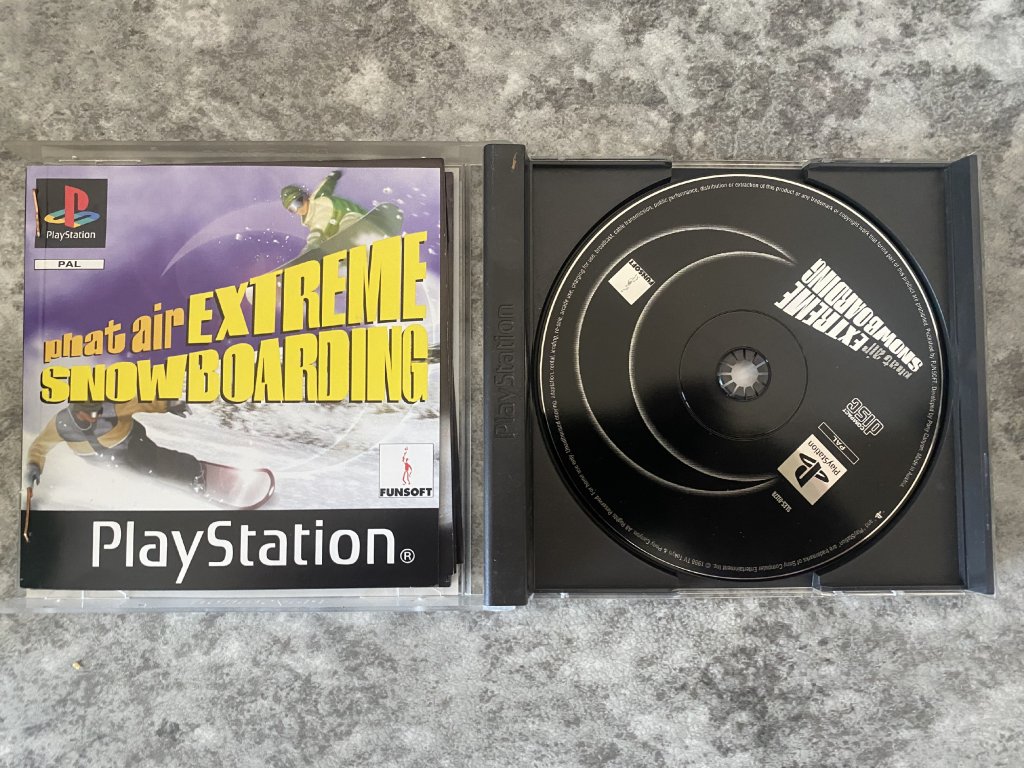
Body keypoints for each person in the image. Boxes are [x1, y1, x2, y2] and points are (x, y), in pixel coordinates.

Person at [25, 399, 205, 493]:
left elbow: (142, 401)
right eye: (90, 413)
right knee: (129, 478)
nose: (95, 416)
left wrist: (169, 404)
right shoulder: (60, 424)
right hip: (102, 459)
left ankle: (193, 471)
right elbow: (39, 447)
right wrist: (34, 465)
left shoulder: (110, 406)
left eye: (97, 411)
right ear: (76, 413)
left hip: (130, 443)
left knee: (147, 465)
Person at [280, 170, 367, 256]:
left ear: (304, 196)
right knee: (324, 240)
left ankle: (359, 235)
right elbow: (317, 235)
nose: (298, 209)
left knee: (346, 224)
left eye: (298, 202)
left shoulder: (317, 198)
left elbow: (326, 185)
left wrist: (332, 177)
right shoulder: (310, 223)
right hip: (337, 234)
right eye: (292, 209)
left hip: (348, 214)